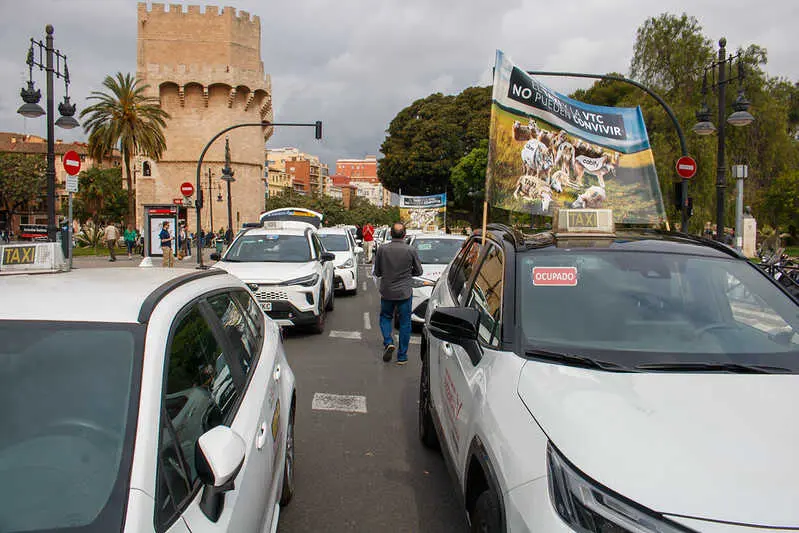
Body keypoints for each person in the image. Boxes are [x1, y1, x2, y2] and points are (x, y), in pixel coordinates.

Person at [373, 222, 423, 365]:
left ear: (390, 233)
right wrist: (408, 273)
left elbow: (377, 272)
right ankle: (402, 356)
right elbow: (419, 271)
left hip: (387, 291)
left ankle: (388, 341)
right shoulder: (410, 250)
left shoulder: (382, 249)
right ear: (404, 234)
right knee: (405, 323)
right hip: (404, 292)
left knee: (385, 317)